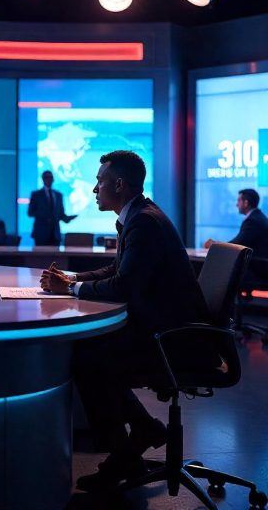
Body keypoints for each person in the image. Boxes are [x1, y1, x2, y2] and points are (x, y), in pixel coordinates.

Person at [40, 150, 207, 492]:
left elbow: (123, 286)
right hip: (161, 327)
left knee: (88, 359)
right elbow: (118, 271)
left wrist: (71, 288)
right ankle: (141, 433)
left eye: (99, 181)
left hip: (173, 338)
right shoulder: (139, 215)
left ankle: (125, 453)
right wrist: (71, 278)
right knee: (90, 351)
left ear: (119, 184)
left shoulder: (144, 221)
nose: (93, 189)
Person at [204, 188, 268, 257]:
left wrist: (214, 245)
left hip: (256, 265)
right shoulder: (257, 216)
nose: (237, 204)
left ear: (246, 203)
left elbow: (238, 245)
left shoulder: (253, 221)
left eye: (239, 201)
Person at [28, 170, 75, 245]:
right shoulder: (36, 195)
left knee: (56, 256)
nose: (49, 179)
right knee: (40, 255)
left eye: (50, 177)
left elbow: (60, 214)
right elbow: (30, 212)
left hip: (55, 234)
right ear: (43, 179)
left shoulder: (58, 195)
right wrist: (45, 214)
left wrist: (67, 218)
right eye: (46, 177)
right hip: (41, 234)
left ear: (53, 179)